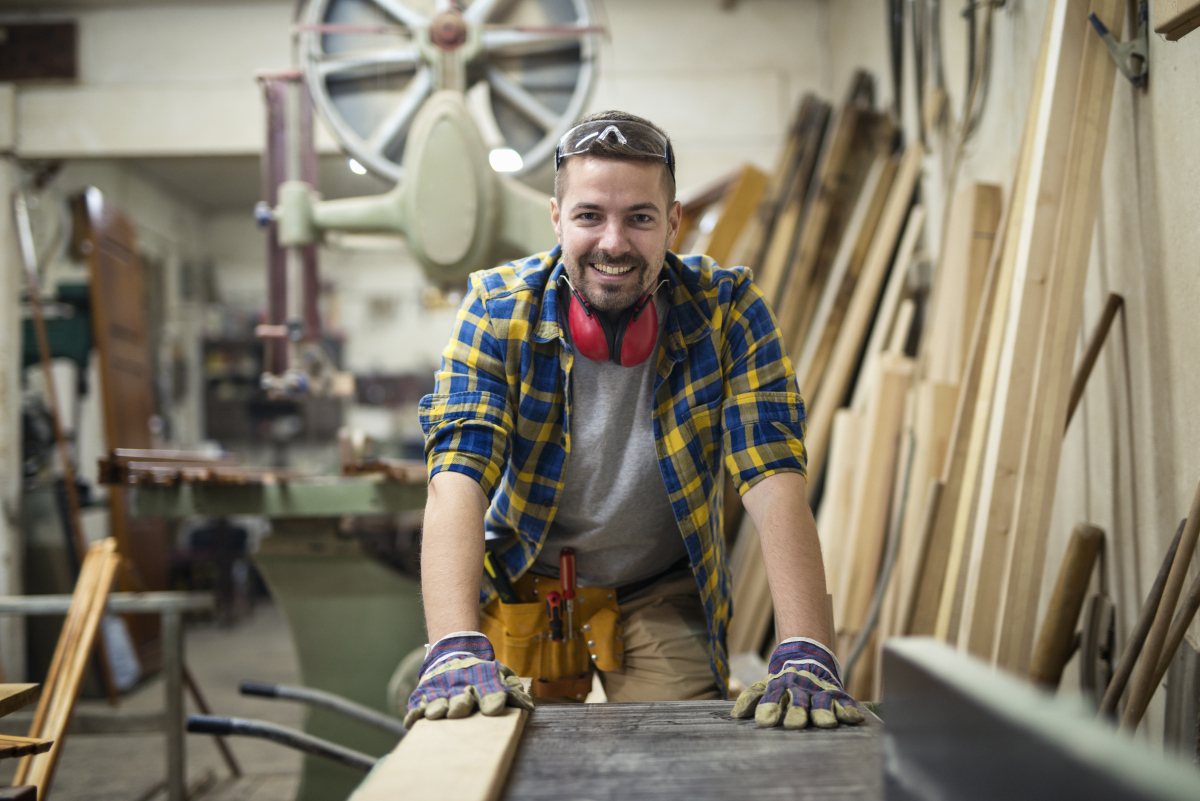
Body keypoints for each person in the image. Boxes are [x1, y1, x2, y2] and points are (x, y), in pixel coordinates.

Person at [405, 110, 863, 732]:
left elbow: (773, 476)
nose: (614, 243)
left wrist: (808, 647)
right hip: (529, 589)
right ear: (557, 218)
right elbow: (457, 473)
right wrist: (453, 643)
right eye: (590, 215)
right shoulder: (494, 309)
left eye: (640, 218)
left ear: (673, 223)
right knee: (505, 755)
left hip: (660, 589)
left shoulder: (728, 312)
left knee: (680, 754)